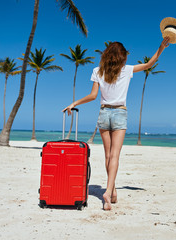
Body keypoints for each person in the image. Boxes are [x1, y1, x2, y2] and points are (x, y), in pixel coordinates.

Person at [63, 37, 170, 210]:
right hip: (120, 112)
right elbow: (149, 64)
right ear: (122, 57)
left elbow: (92, 96)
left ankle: (112, 191)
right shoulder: (126, 70)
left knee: (107, 155)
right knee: (115, 156)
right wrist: (161, 47)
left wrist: (74, 103)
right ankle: (108, 190)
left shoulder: (98, 71)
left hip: (104, 113)